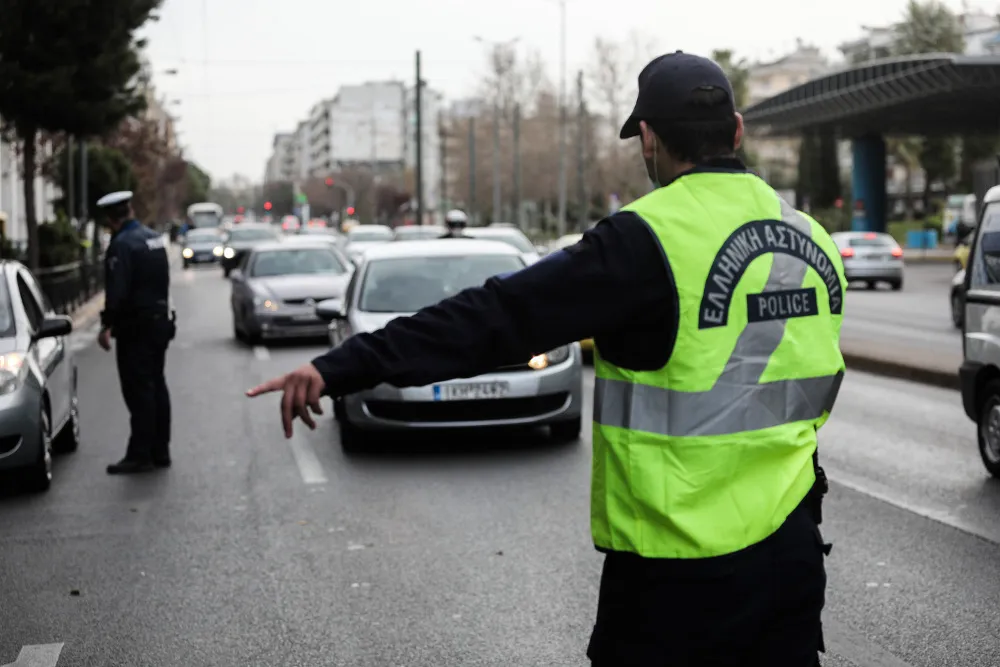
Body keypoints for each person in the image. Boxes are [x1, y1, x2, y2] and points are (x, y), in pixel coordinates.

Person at [248, 51, 847, 666]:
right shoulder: (812, 238)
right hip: (790, 561)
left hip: (678, 580)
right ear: (738, 130)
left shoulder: (644, 240)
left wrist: (340, 366)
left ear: (648, 139)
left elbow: (493, 320)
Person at [96, 191, 176, 475]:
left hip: (136, 329)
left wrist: (107, 325)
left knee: (138, 391)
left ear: (110, 219)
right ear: (129, 210)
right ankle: (160, 450)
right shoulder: (153, 237)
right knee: (157, 385)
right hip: (160, 323)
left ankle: (140, 454)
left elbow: (117, 291)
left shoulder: (122, 245)